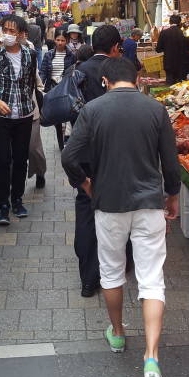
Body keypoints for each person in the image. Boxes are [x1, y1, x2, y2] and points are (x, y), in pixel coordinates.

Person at [61, 57, 180, 377]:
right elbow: (170, 163)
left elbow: (69, 156)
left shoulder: (93, 110)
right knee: (152, 279)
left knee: (111, 272)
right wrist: (172, 196)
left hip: (109, 203)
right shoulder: (155, 110)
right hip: (149, 204)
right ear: (138, 79)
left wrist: (85, 184)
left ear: (105, 82)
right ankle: (152, 357)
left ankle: (117, 333)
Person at [70, 24, 122, 297]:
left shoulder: (79, 70)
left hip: (85, 154)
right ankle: (115, 271)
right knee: (116, 210)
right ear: (114, 47)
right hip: (115, 154)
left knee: (86, 211)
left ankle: (89, 278)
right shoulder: (118, 71)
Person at [0, 14, 37, 224]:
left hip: (24, 114)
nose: (8, 34)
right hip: (1, 117)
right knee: (3, 159)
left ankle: (17, 199)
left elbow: (31, 82)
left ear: (22, 34)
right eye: (5, 30)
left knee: (21, 159)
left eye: (12, 31)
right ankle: (3, 204)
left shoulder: (30, 55)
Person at [40, 28, 77, 151]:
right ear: (54, 40)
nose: (60, 42)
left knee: (70, 117)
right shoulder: (49, 54)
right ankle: (62, 146)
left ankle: (71, 143)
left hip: (67, 90)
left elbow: (74, 72)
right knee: (57, 119)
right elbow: (43, 72)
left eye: (62, 40)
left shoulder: (72, 55)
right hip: (53, 89)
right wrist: (40, 88)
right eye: (58, 40)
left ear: (66, 41)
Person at [156, 14, 189, 86]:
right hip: (182, 64)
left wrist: (167, 48)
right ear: (180, 22)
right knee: (182, 86)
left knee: (170, 85)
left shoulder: (164, 33)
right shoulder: (185, 33)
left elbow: (158, 49)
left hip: (169, 63)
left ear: (170, 22)